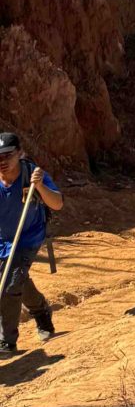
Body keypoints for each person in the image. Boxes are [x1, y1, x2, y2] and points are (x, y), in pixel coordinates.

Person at [0, 131, 62, 356]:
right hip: (2, 239)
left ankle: (7, 341)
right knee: (15, 277)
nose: (3, 161)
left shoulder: (32, 175)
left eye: (8, 155)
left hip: (28, 237)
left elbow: (57, 204)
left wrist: (41, 187)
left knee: (10, 283)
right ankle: (41, 311)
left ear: (20, 153)